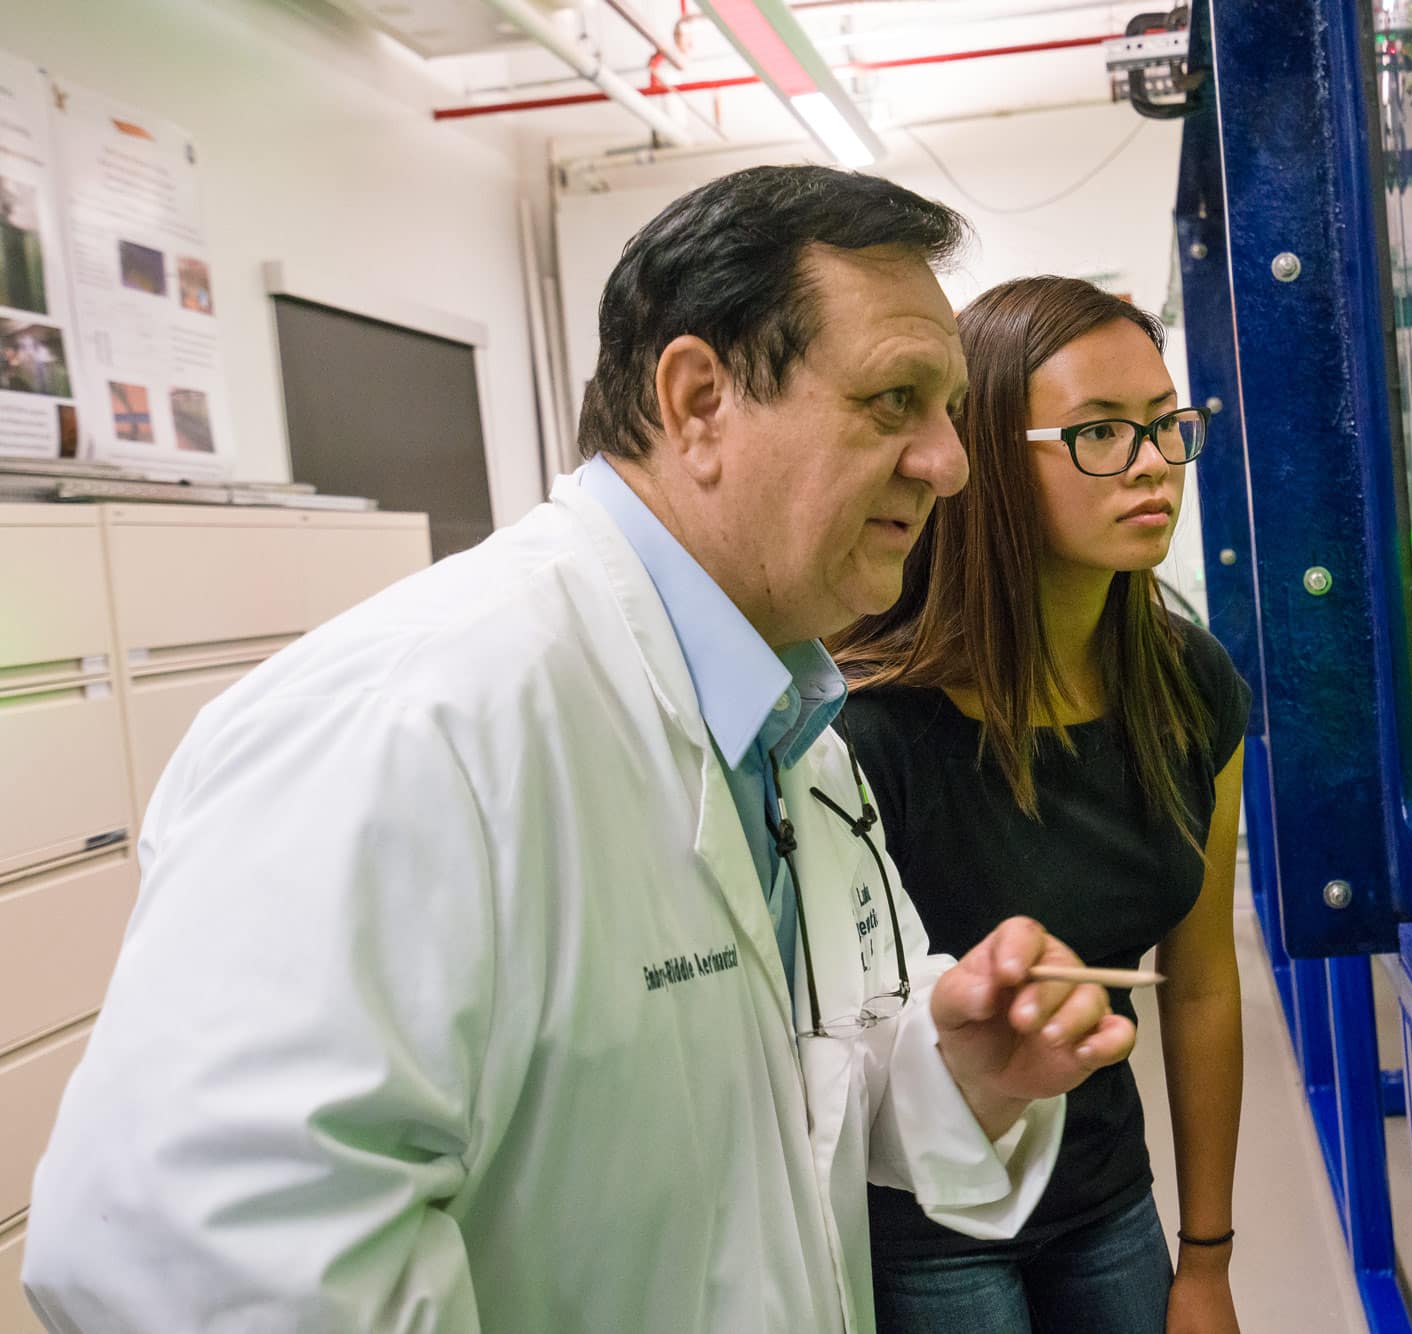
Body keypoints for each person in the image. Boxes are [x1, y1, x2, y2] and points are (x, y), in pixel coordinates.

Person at [23, 168, 1136, 1334]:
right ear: (699, 399)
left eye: (948, 408)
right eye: (894, 399)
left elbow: (773, 1097)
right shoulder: (409, 721)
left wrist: (958, 1076)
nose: (949, 461)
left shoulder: (788, 720)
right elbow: (189, 1262)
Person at [833, 276, 1250, 1334]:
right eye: (1098, 432)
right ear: (981, 459)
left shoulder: (1187, 684)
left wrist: (1205, 1261)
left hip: (1105, 1195)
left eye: (1164, 426)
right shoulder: (866, 729)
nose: (1151, 462)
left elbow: (1197, 984)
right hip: (921, 1231)